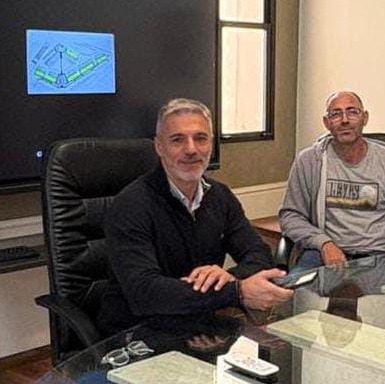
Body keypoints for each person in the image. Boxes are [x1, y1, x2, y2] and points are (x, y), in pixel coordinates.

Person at [97, 98, 294, 336]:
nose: (191, 149)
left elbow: (259, 254)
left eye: (200, 138)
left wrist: (229, 279)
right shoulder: (130, 205)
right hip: (137, 332)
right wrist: (236, 291)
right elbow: (145, 293)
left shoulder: (220, 196)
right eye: (177, 140)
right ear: (159, 147)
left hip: (200, 324)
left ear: (211, 143)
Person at [279, 90, 385, 271]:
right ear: (327, 123)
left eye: (352, 112)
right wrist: (324, 243)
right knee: (291, 287)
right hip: (325, 253)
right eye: (336, 114)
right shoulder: (309, 160)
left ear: (364, 118)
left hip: (380, 256)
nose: (344, 120)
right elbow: (290, 216)